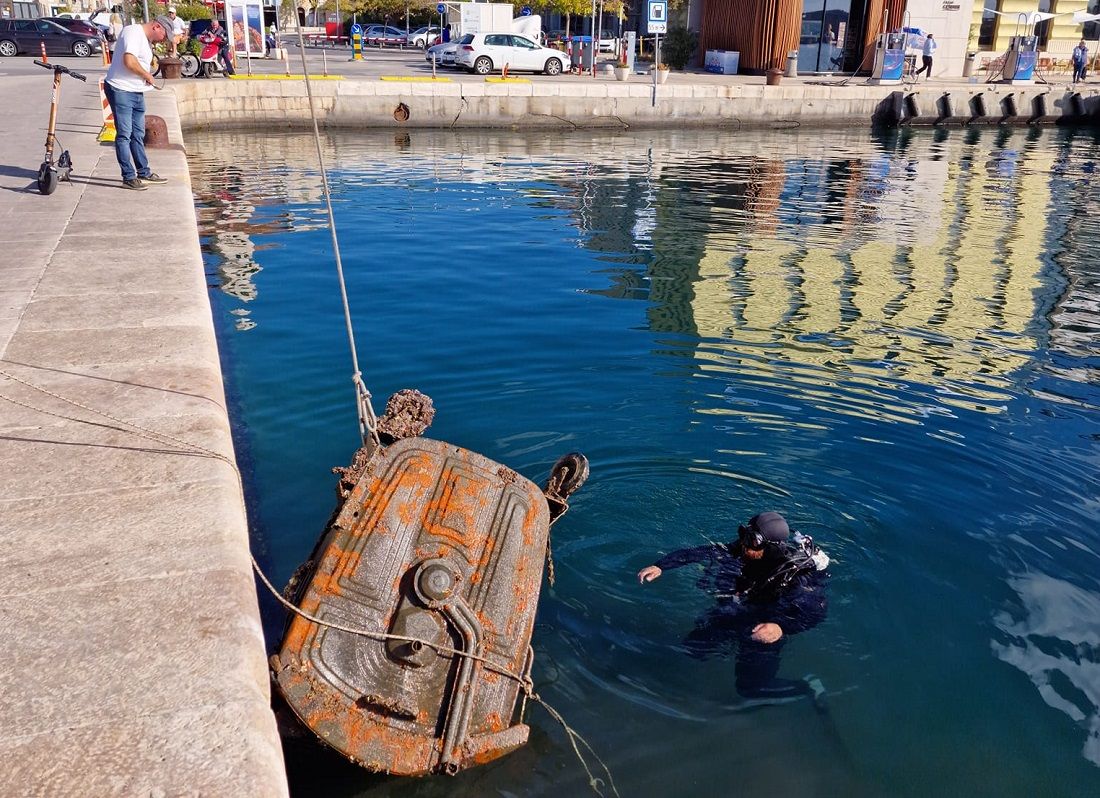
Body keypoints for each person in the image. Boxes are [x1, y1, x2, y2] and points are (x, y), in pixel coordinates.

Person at [638, 511, 830, 702]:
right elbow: (699, 552)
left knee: (750, 689)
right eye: (744, 535)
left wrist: (781, 627)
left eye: (752, 541)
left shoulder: (794, 575)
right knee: (693, 649)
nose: (745, 545)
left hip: (765, 626)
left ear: (771, 548)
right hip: (736, 612)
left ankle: (808, 687)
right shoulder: (743, 549)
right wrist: (661, 566)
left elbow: (816, 612)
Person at [103, 15, 173, 190]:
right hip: (121, 89)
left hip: (136, 91)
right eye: (164, 36)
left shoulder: (145, 39)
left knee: (138, 133)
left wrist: (144, 79)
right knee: (124, 134)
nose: (164, 40)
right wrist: (146, 75)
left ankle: (144, 172)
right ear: (157, 26)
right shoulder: (133, 32)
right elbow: (129, 61)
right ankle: (128, 176)